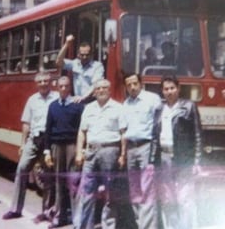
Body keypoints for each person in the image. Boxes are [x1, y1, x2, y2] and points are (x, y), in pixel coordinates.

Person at [2, 71, 59, 222]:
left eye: (46, 81)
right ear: (36, 83)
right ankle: (15, 209)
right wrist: (22, 143)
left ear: (50, 82)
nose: (43, 84)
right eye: (40, 81)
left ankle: (46, 212)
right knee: (21, 169)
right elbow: (26, 123)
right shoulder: (32, 100)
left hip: (49, 141)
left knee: (47, 175)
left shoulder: (57, 98)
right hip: (34, 140)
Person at [75, 79, 127, 229]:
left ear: (109, 90)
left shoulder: (118, 108)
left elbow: (123, 134)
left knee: (110, 192)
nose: (101, 91)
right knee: (86, 190)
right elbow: (82, 132)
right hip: (91, 152)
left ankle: (108, 225)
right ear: (94, 91)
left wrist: (122, 154)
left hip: (110, 151)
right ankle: (84, 226)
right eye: (98, 89)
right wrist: (79, 152)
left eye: (104, 88)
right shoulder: (88, 108)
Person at [157, 75, 202, 229]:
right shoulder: (159, 109)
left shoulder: (189, 107)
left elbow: (197, 134)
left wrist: (197, 161)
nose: (169, 92)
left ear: (178, 88)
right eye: (166, 89)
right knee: (168, 199)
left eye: (172, 88)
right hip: (164, 158)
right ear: (162, 91)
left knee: (185, 199)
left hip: (183, 159)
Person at [122, 73, 162, 229]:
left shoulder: (152, 99)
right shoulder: (125, 104)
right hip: (131, 149)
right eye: (129, 85)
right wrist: (124, 154)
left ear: (141, 84)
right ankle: (140, 224)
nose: (132, 87)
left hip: (146, 147)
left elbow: (158, 127)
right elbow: (124, 131)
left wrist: (153, 152)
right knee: (134, 190)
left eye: (134, 83)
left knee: (148, 189)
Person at [44, 76, 84, 228]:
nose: (63, 89)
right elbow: (48, 129)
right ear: (57, 88)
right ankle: (59, 217)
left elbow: (82, 129)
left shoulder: (78, 106)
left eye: (66, 86)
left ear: (70, 87)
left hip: (72, 146)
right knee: (58, 182)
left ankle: (76, 220)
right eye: (60, 86)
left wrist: (81, 149)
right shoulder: (53, 106)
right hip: (56, 147)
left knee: (73, 182)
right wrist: (47, 151)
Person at [56, 34, 104, 103]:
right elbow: (58, 62)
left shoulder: (98, 66)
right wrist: (66, 44)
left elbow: (95, 84)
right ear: (78, 54)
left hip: (91, 101)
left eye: (87, 55)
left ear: (91, 54)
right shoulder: (75, 64)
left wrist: (83, 97)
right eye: (82, 55)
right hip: (78, 101)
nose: (84, 57)